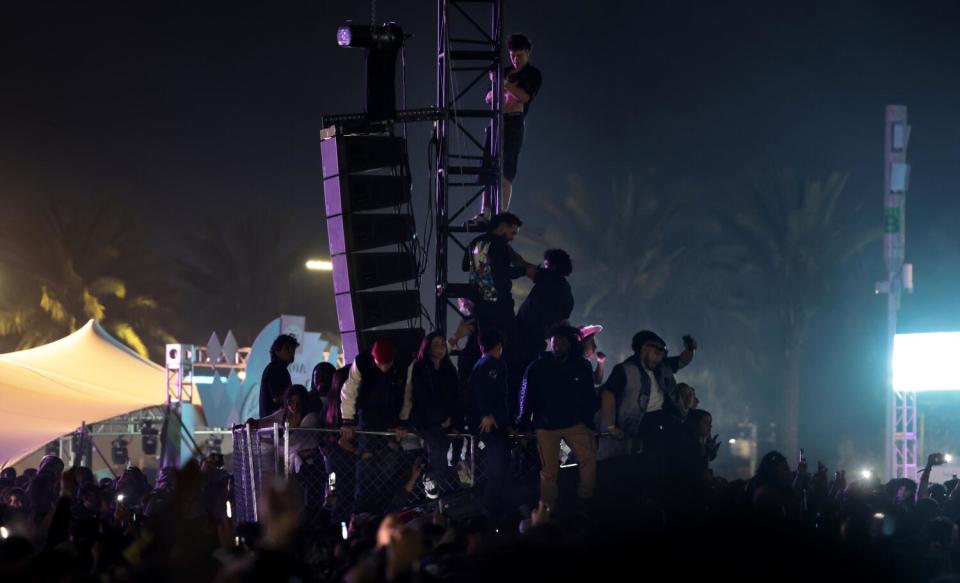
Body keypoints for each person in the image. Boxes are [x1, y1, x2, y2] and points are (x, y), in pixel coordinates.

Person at [517, 325, 598, 512]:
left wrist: (588, 419)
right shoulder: (537, 366)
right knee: (549, 472)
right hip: (546, 425)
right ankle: (547, 509)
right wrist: (522, 421)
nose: (557, 344)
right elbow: (526, 395)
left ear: (570, 343)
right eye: (555, 340)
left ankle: (585, 500)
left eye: (561, 340)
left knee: (588, 460)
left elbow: (588, 395)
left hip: (573, 422)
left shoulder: (581, 366)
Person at [599, 331, 697, 464]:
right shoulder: (625, 370)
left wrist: (690, 348)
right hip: (638, 421)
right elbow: (608, 394)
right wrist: (611, 426)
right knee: (652, 455)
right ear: (644, 348)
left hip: (664, 415)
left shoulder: (663, 366)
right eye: (656, 353)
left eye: (662, 355)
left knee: (687, 439)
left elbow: (683, 360)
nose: (659, 358)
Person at [340, 339, 414, 513]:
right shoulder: (362, 362)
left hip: (392, 420)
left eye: (387, 364)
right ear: (373, 358)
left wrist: (402, 423)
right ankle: (362, 513)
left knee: (389, 467)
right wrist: (348, 421)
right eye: (380, 364)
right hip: (367, 417)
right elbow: (349, 391)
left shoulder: (405, 362)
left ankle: (385, 512)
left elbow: (408, 394)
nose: (384, 368)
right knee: (366, 469)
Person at [477, 33, 543, 218]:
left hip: (514, 122)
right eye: (512, 55)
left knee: (506, 171)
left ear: (528, 53)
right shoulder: (504, 71)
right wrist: (500, 87)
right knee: (488, 169)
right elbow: (489, 97)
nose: (515, 60)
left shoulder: (532, 74)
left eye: (519, 55)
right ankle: (486, 211)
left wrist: (504, 85)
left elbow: (524, 97)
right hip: (497, 121)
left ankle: (502, 212)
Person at [409, 332, 463, 499]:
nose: (441, 347)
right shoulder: (419, 368)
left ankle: (449, 481)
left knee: (456, 441)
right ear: (427, 348)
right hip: (425, 420)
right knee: (438, 442)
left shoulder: (449, 369)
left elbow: (456, 397)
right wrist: (441, 420)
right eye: (436, 344)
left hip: (447, 419)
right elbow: (423, 399)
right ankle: (431, 481)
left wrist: (453, 421)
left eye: (442, 343)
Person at [466, 329, 514, 518]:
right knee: (497, 466)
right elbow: (487, 393)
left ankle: (491, 508)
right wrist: (488, 415)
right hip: (491, 424)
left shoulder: (479, 365)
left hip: (489, 423)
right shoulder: (493, 365)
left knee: (495, 466)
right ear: (498, 346)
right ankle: (491, 510)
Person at [516, 248, 574, 366]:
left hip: (523, 336)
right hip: (537, 342)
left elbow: (522, 264)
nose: (543, 267)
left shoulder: (549, 277)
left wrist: (503, 245)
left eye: (546, 265)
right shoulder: (567, 293)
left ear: (553, 266)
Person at [259, 334, 299, 417]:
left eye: (292, 348)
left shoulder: (275, 368)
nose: (291, 351)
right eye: (287, 348)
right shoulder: (276, 368)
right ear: (276, 351)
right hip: (274, 425)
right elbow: (277, 398)